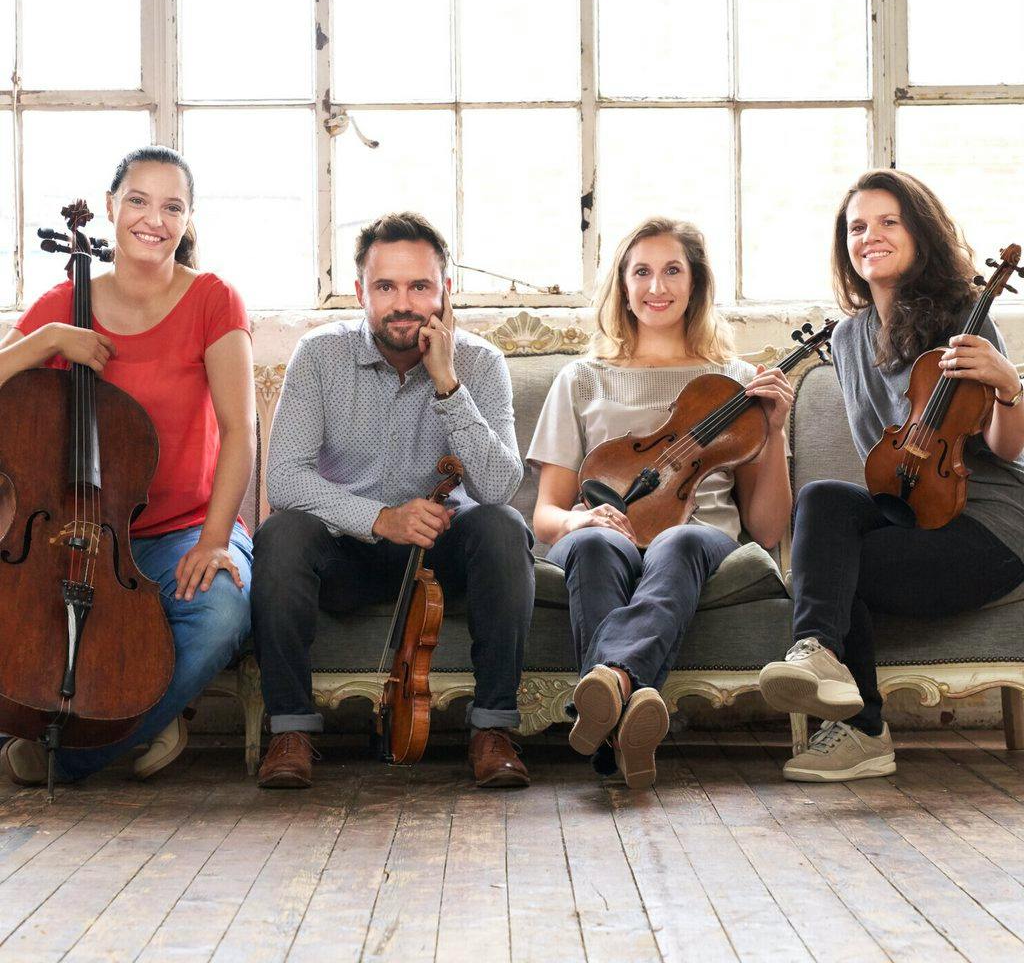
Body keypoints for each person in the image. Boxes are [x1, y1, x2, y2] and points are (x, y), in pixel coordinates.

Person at [250, 211, 534, 790]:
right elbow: (284, 478)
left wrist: (447, 381)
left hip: (441, 557)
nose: (403, 303)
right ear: (361, 293)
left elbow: (500, 488)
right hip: (345, 554)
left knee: (503, 527)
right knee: (280, 536)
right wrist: (380, 519)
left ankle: (493, 729)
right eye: (386, 287)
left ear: (444, 292)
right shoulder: (319, 356)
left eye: (419, 286)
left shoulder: (479, 363)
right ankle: (290, 731)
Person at [0, 145, 255, 785]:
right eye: (138, 200)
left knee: (221, 611)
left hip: (180, 531)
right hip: (65, 528)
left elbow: (238, 433)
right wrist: (49, 340)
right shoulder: (66, 302)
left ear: (188, 220)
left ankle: (78, 753)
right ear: (111, 207)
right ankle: (138, 721)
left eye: (172, 206)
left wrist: (215, 540)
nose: (153, 219)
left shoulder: (214, 300)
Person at [759, 168, 1024, 782]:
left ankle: (862, 730)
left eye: (887, 222)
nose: (869, 236)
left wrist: (1009, 386)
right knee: (824, 498)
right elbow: (882, 464)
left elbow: (1006, 450)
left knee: (832, 567)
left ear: (918, 235)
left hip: (989, 527)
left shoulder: (965, 317)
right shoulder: (848, 338)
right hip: (914, 511)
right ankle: (817, 656)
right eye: (857, 227)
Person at [528, 217, 793, 788]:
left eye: (673, 270)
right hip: (604, 531)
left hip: (700, 539)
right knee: (596, 544)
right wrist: (581, 516)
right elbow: (546, 513)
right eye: (641, 272)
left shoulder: (737, 382)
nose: (657, 287)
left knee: (678, 538)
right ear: (621, 286)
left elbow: (768, 528)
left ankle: (611, 684)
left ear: (695, 283)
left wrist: (772, 431)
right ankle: (626, 714)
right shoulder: (580, 378)